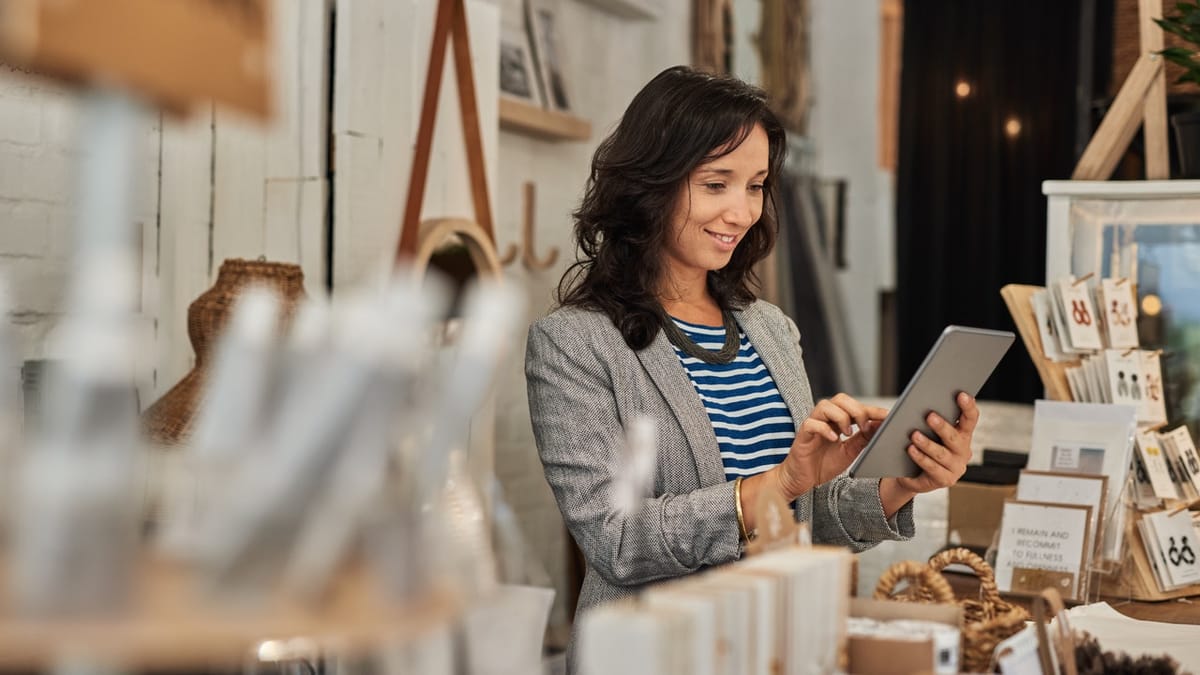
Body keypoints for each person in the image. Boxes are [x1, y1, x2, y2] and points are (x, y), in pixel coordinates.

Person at [524, 65, 977, 665]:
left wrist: (899, 485)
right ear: (650, 182)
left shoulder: (769, 328)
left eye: (756, 185)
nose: (741, 211)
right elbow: (618, 540)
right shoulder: (575, 344)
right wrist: (781, 483)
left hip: (775, 647)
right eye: (717, 184)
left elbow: (803, 523)